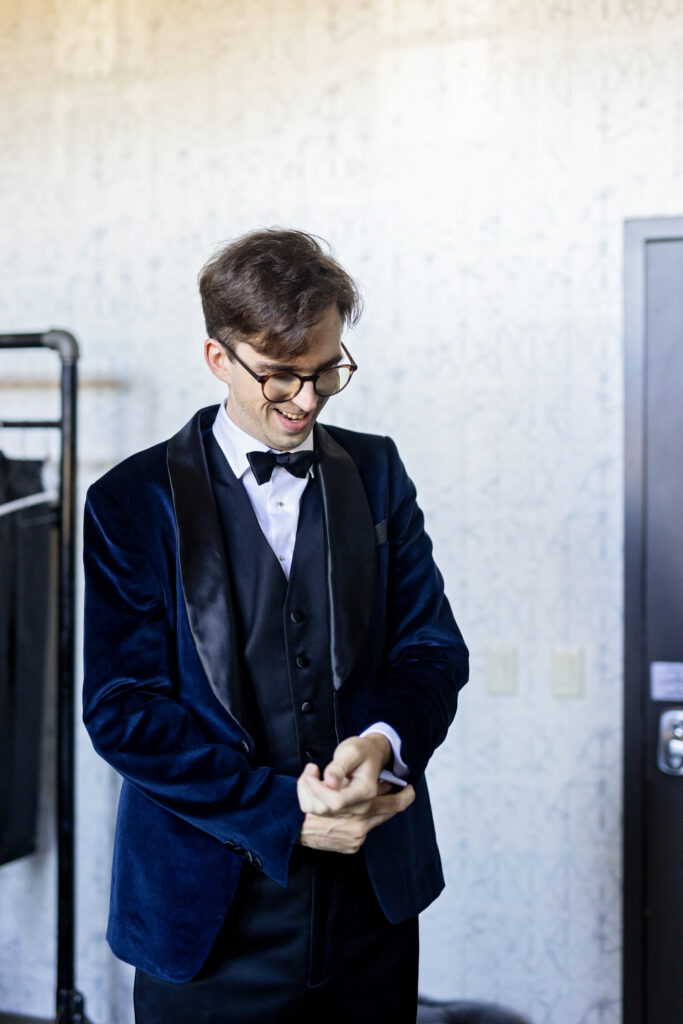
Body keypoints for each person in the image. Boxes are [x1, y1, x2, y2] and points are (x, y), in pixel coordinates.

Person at [82, 228, 469, 1024]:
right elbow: (122, 709)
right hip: (206, 919)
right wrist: (284, 813)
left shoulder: (379, 470)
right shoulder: (128, 501)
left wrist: (384, 744)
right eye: (281, 376)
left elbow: (430, 650)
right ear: (218, 358)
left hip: (371, 906)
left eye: (328, 370)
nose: (307, 399)